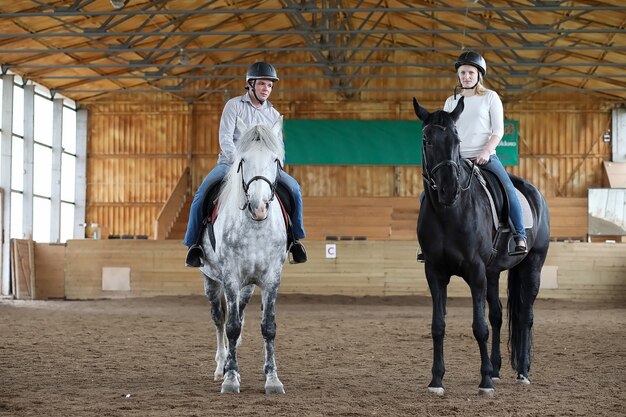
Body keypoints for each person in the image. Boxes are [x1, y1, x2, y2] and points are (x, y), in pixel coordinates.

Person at [184, 62, 307, 267]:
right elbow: (225, 139)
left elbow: (279, 147)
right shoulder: (233, 106)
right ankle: (194, 245)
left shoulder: (274, 115)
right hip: (231, 164)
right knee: (202, 193)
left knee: (294, 189)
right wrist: (239, 162)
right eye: (262, 84)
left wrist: (274, 163)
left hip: (264, 169)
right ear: (250, 84)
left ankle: (295, 240)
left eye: (269, 85)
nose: (266, 89)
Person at [443, 50, 527, 255]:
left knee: (508, 189)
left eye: (471, 72)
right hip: (458, 160)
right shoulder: (450, 102)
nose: (466, 76)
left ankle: (519, 236)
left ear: (479, 75)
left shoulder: (490, 97)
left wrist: (486, 152)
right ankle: (430, 243)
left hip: (484, 158)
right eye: (462, 72)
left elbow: (498, 131)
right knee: (429, 194)